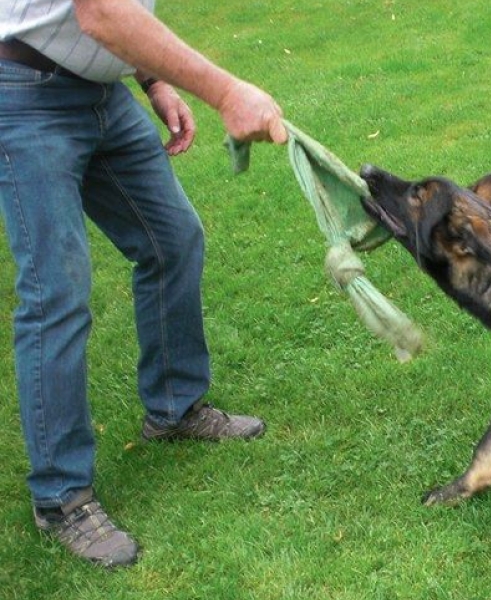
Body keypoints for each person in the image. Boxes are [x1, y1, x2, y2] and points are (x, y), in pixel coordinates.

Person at [0, 0, 289, 568]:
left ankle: (175, 406)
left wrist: (152, 79)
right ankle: (61, 497)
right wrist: (227, 92)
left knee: (171, 240)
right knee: (55, 291)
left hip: (102, 92)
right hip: (26, 93)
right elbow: (101, 13)